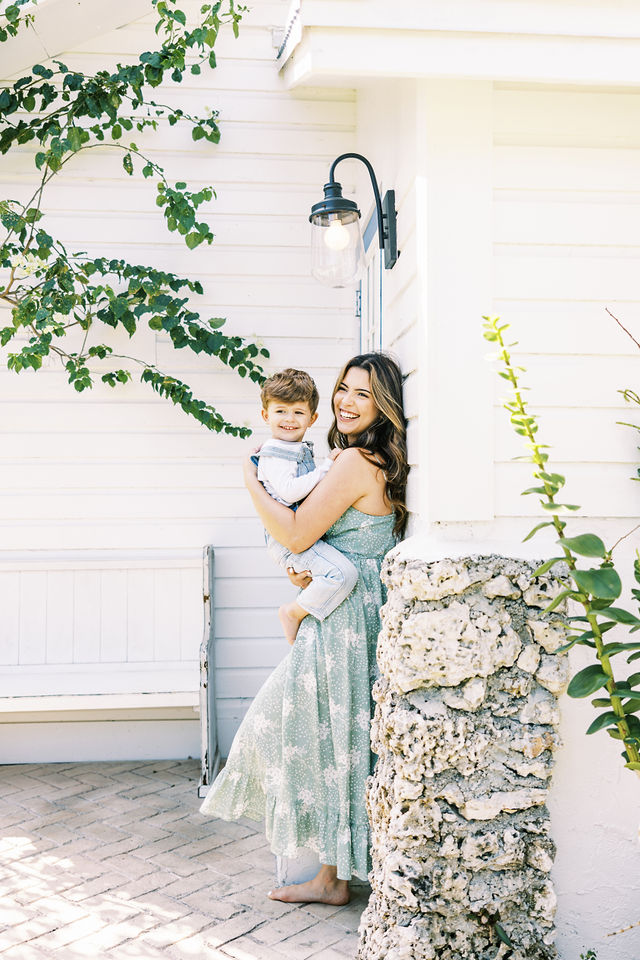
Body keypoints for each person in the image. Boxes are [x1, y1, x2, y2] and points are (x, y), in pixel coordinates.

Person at [200, 352, 409, 906]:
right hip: (355, 607)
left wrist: (250, 483)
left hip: (339, 619)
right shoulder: (367, 457)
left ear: (382, 403)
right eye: (343, 388)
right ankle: (332, 876)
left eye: (362, 394)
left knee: (303, 731)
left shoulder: (353, 462)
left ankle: (334, 876)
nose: (346, 401)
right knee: (339, 740)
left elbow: (294, 534)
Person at [255, 367, 359, 646]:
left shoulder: (293, 450)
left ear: (312, 418)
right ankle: (293, 612)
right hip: (288, 541)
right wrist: (327, 468)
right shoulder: (274, 453)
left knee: (332, 574)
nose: (289, 419)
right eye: (280, 411)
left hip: (299, 537)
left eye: (298, 413)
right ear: (266, 415)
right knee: (340, 574)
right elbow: (289, 493)